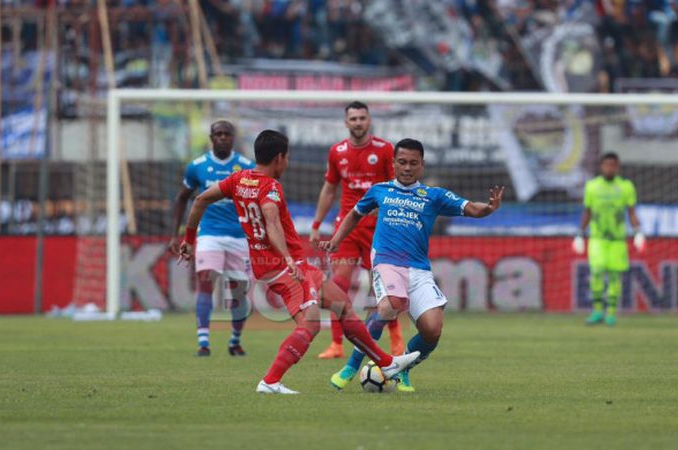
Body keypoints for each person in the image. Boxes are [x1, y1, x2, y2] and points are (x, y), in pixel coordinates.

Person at [180, 130, 419, 394]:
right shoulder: (271, 188)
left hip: (282, 264)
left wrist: (190, 239)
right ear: (279, 158)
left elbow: (200, 199)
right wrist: (287, 259)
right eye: (288, 157)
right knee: (311, 324)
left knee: (341, 304)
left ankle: (385, 363)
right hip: (285, 267)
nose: (288, 163)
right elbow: (272, 222)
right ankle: (270, 381)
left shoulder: (238, 179)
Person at [320, 138, 504, 392]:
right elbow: (355, 214)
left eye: (413, 163)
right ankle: (351, 367)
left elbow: (471, 208)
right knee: (390, 305)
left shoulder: (434, 195)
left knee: (432, 330)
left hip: (418, 269)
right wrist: (336, 240)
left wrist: (489, 209)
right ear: (394, 163)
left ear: (422, 165)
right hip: (386, 261)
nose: (407, 168)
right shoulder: (380, 190)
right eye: (402, 162)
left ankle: (403, 369)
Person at [309, 101, 404, 359]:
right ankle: (337, 344)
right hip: (347, 227)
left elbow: (395, 185)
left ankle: (395, 338)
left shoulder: (385, 150)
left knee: (382, 287)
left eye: (362, 118)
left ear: (369, 120)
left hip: (378, 228)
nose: (358, 122)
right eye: (354, 119)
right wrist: (317, 225)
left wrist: (387, 211)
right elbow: (329, 189)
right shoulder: (336, 151)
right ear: (346, 122)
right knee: (339, 284)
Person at [169, 120, 255, 357]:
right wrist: (177, 234)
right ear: (211, 137)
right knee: (205, 283)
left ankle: (235, 341)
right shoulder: (197, 167)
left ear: (233, 137)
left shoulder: (247, 167)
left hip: (240, 237)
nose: (223, 138)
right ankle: (203, 343)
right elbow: (182, 198)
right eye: (218, 134)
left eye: (227, 134)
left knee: (239, 292)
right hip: (208, 235)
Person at [572, 152, 645, 327]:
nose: (609, 168)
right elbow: (587, 212)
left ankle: (611, 313)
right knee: (596, 272)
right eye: (606, 165)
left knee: (614, 276)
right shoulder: (592, 187)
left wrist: (638, 232)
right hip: (597, 238)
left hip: (618, 240)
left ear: (617, 167)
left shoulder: (626, 187)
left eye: (613, 165)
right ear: (601, 167)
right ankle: (597, 310)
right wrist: (580, 234)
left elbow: (631, 212)